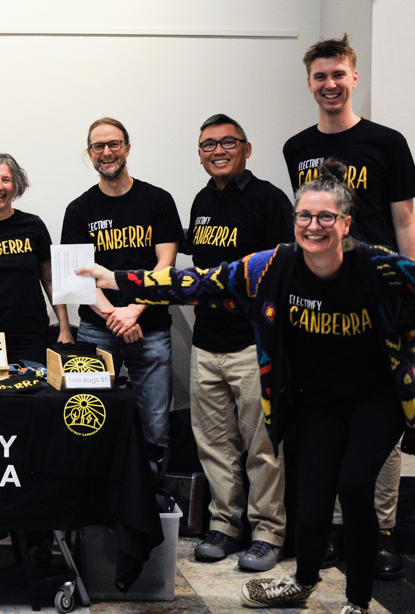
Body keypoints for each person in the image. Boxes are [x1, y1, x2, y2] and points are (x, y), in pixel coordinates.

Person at [80, 160, 413, 614]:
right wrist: (119, 279)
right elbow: (197, 282)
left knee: (354, 486)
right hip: (318, 401)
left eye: (326, 217)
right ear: (294, 219)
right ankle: (303, 582)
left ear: (346, 223)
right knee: (312, 506)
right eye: (305, 216)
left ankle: (356, 602)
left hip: (376, 398)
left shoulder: (381, 269)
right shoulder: (274, 265)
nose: (314, 226)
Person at [283, 33, 415, 579]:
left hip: (380, 304)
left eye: (339, 75)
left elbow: (405, 221)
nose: (330, 85)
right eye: (320, 76)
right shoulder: (296, 148)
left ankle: (378, 535)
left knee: (376, 447)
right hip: (322, 308)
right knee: (325, 434)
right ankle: (329, 536)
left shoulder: (387, 143)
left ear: (353, 78)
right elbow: (308, 226)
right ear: (309, 83)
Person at [182, 114, 293, 571]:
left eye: (228, 142)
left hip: (252, 344)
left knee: (263, 446)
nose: (218, 151)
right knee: (213, 443)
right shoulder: (201, 202)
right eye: (208, 145)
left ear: (247, 149)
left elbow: (285, 270)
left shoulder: (269, 199)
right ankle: (224, 525)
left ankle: (268, 532)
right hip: (206, 343)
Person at [60, 117, 183, 477]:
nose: (107, 152)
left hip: (152, 328)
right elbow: (77, 275)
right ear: (90, 154)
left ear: (127, 148)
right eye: (98, 146)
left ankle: (153, 506)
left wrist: (133, 311)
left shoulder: (158, 201)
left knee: (156, 428)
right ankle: (99, 505)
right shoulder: (79, 210)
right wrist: (115, 315)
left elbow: (166, 264)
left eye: (114, 144)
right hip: (97, 331)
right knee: (89, 421)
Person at [0, 152, 72, 365]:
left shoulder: (33, 226)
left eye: (7, 180)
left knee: (30, 395)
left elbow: (51, 281)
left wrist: (65, 328)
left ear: (16, 186)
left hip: (29, 336)